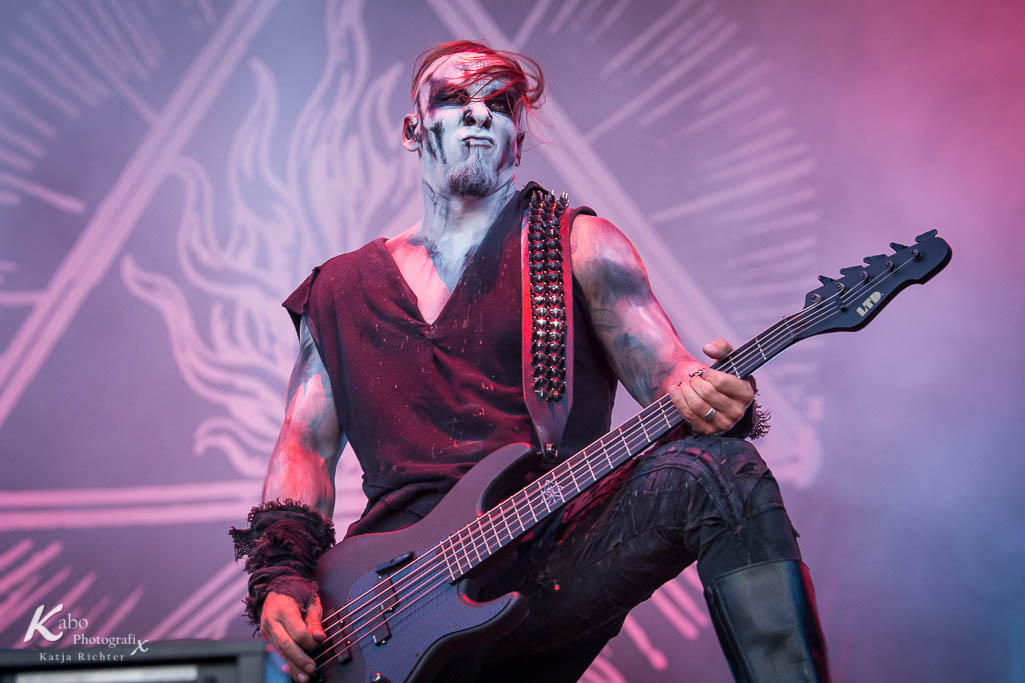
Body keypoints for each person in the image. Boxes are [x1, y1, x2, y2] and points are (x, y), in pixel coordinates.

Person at [230, 41, 829, 683]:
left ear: (518, 140)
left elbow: (668, 374)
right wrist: (283, 576)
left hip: (550, 552)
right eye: (454, 99)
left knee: (718, 472)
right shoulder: (340, 289)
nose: (479, 113)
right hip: (390, 600)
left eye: (500, 103)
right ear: (413, 129)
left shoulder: (579, 245)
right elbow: (305, 446)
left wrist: (710, 393)